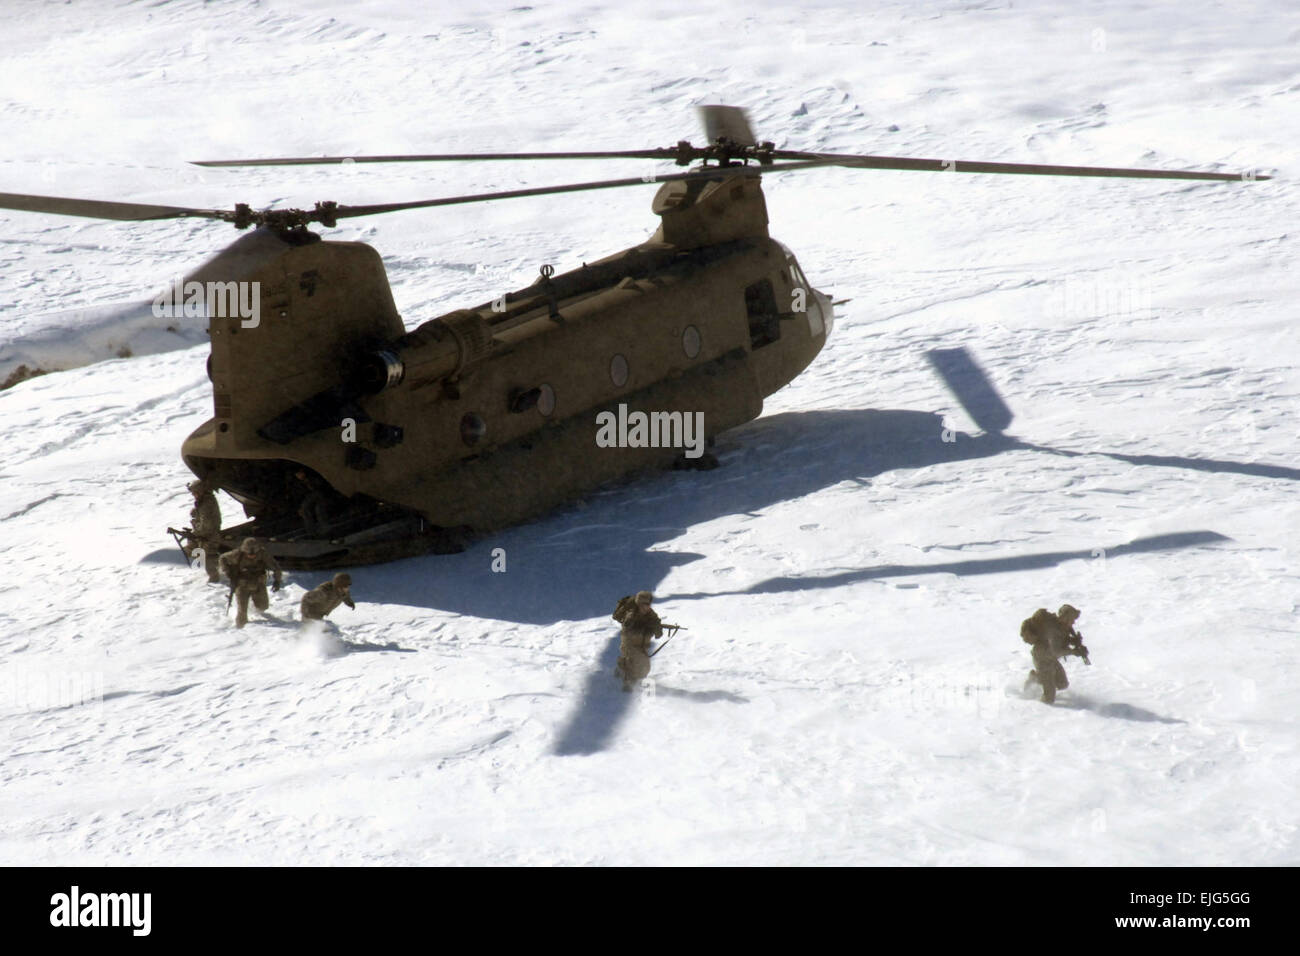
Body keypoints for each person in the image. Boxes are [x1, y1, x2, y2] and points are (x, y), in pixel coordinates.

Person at [1021, 604, 1090, 704]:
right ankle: (1038, 710)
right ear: (1065, 617)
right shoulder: (1053, 630)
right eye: (1072, 619)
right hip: (1042, 659)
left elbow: (1061, 642)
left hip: (1050, 658)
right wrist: (1074, 652)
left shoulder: (1064, 628)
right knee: (1049, 699)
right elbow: (1056, 651)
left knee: (1063, 684)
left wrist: (1074, 641)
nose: (1074, 622)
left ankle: (1036, 677)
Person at [219, 537, 283, 628]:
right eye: (249, 554)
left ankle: (253, 608)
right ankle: (240, 631)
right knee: (242, 613)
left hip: (258, 584)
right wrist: (228, 572)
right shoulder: (237, 554)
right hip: (242, 585)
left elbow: (275, 567)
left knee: (263, 606)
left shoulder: (262, 554)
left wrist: (277, 580)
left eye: (254, 554)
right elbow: (222, 558)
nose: (252, 556)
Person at [613, 590, 663, 692]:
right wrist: (647, 630)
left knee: (645, 668)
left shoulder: (650, 613)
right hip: (629, 644)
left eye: (649, 604)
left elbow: (656, 621)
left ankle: (620, 667)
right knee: (632, 664)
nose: (647, 606)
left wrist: (658, 630)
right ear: (639, 604)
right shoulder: (631, 615)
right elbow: (629, 632)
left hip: (642, 645)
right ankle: (627, 684)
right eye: (645, 604)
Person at [187, 478, 222, 582]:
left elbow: (206, 525)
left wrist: (195, 532)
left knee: (208, 555)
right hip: (205, 533)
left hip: (210, 534)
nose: (193, 495)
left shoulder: (207, 504)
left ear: (200, 491)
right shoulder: (203, 502)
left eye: (195, 493)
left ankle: (214, 578)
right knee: (192, 549)